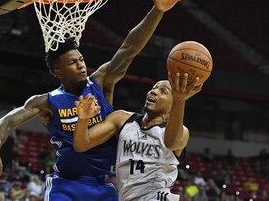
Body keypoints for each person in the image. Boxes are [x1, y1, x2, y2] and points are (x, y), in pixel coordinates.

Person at [0, 0, 190, 201]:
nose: (81, 65)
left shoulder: (101, 82)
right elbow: (6, 122)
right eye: (73, 63)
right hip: (66, 185)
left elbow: (130, 48)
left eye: (81, 59)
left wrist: (157, 11)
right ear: (58, 72)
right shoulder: (47, 102)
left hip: (102, 185)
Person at [73, 73, 202, 201]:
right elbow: (81, 145)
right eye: (154, 88)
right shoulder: (122, 119)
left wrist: (180, 101)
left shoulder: (180, 132)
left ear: (173, 104)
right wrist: (83, 119)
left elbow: (172, 143)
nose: (154, 92)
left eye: (163, 91)